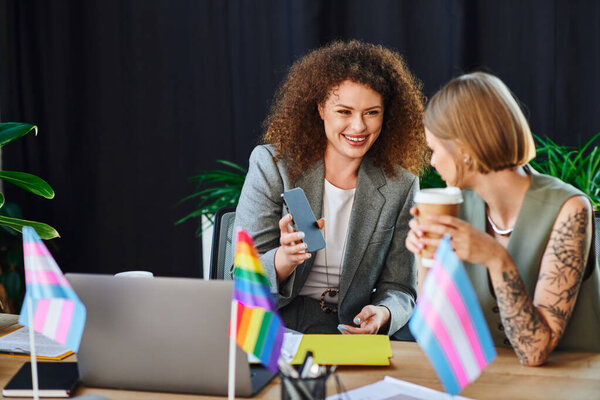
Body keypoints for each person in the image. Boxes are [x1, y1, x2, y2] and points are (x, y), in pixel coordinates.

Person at [235, 40, 429, 336]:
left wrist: (383, 313)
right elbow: (241, 277)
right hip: (276, 323)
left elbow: (401, 288)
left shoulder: (400, 186)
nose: (359, 127)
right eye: (344, 111)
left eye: (371, 112)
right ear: (321, 109)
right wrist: (284, 260)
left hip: (349, 329)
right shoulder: (273, 165)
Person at [406, 72, 600, 365]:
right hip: (490, 378)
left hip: (569, 381)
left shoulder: (570, 207)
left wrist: (496, 258)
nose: (432, 162)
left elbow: (535, 351)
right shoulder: (456, 205)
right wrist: (424, 258)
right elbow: (437, 332)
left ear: (463, 149)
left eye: (434, 149)